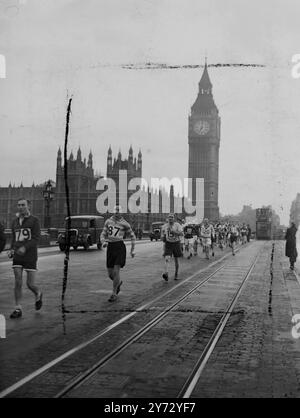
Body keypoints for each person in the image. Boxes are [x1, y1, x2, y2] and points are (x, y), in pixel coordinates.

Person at [7, 198, 43, 319]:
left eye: (23, 205)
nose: (21, 207)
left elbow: (36, 238)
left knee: (30, 284)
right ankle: (18, 308)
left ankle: (38, 293)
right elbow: (13, 238)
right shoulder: (14, 222)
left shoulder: (34, 220)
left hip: (30, 256)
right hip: (17, 255)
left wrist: (25, 247)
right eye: (19, 205)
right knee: (17, 282)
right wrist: (12, 249)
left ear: (29, 206)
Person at [100, 205, 136, 302]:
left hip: (119, 247)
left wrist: (132, 250)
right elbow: (103, 233)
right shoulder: (108, 221)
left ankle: (114, 293)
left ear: (121, 212)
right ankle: (118, 283)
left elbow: (133, 236)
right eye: (115, 211)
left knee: (116, 271)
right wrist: (103, 242)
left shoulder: (125, 224)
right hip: (110, 247)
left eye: (118, 211)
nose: (116, 213)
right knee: (110, 274)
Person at [161, 213, 183, 281]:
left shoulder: (177, 225)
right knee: (167, 258)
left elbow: (181, 233)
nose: (170, 218)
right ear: (167, 218)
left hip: (176, 243)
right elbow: (162, 236)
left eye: (172, 217)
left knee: (176, 260)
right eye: (169, 217)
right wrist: (163, 238)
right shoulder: (164, 226)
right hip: (168, 244)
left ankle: (176, 275)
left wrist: (174, 232)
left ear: (174, 218)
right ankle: (166, 273)